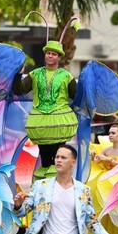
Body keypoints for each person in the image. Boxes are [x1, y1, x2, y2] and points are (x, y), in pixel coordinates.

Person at [14, 39, 78, 179]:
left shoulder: (66, 76)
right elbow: (20, 91)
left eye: (54, 54)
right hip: (41, 122)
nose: (50, 56)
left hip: (60, 121)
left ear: (59, 57)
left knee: (58, 155)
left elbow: (76, 96)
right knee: (45, 157)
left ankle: (57, 182)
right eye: (48, 53)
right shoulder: (35, 74)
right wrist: (18, 74)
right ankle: (43, 183)